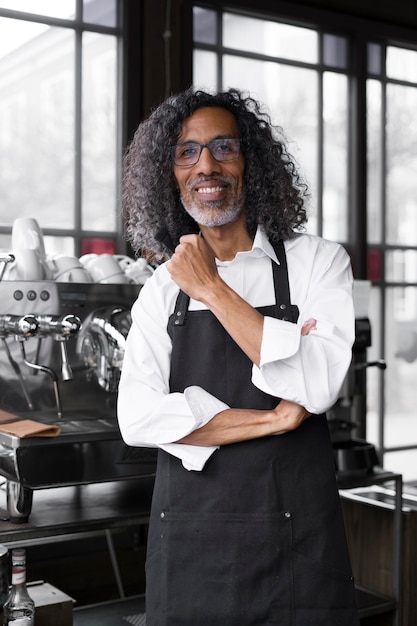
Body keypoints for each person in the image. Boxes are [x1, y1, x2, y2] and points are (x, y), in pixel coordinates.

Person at [118, 87, 360, 626]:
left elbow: (317, 389)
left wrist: (213, 290)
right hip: (190, 549)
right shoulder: (161, 290)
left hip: (297, 551)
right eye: (187, 152)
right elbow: (137, 420)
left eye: (223, 147)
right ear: (170, 174)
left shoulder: (317, 262)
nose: (206, 165)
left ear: (252, 162)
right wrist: (272, 419)